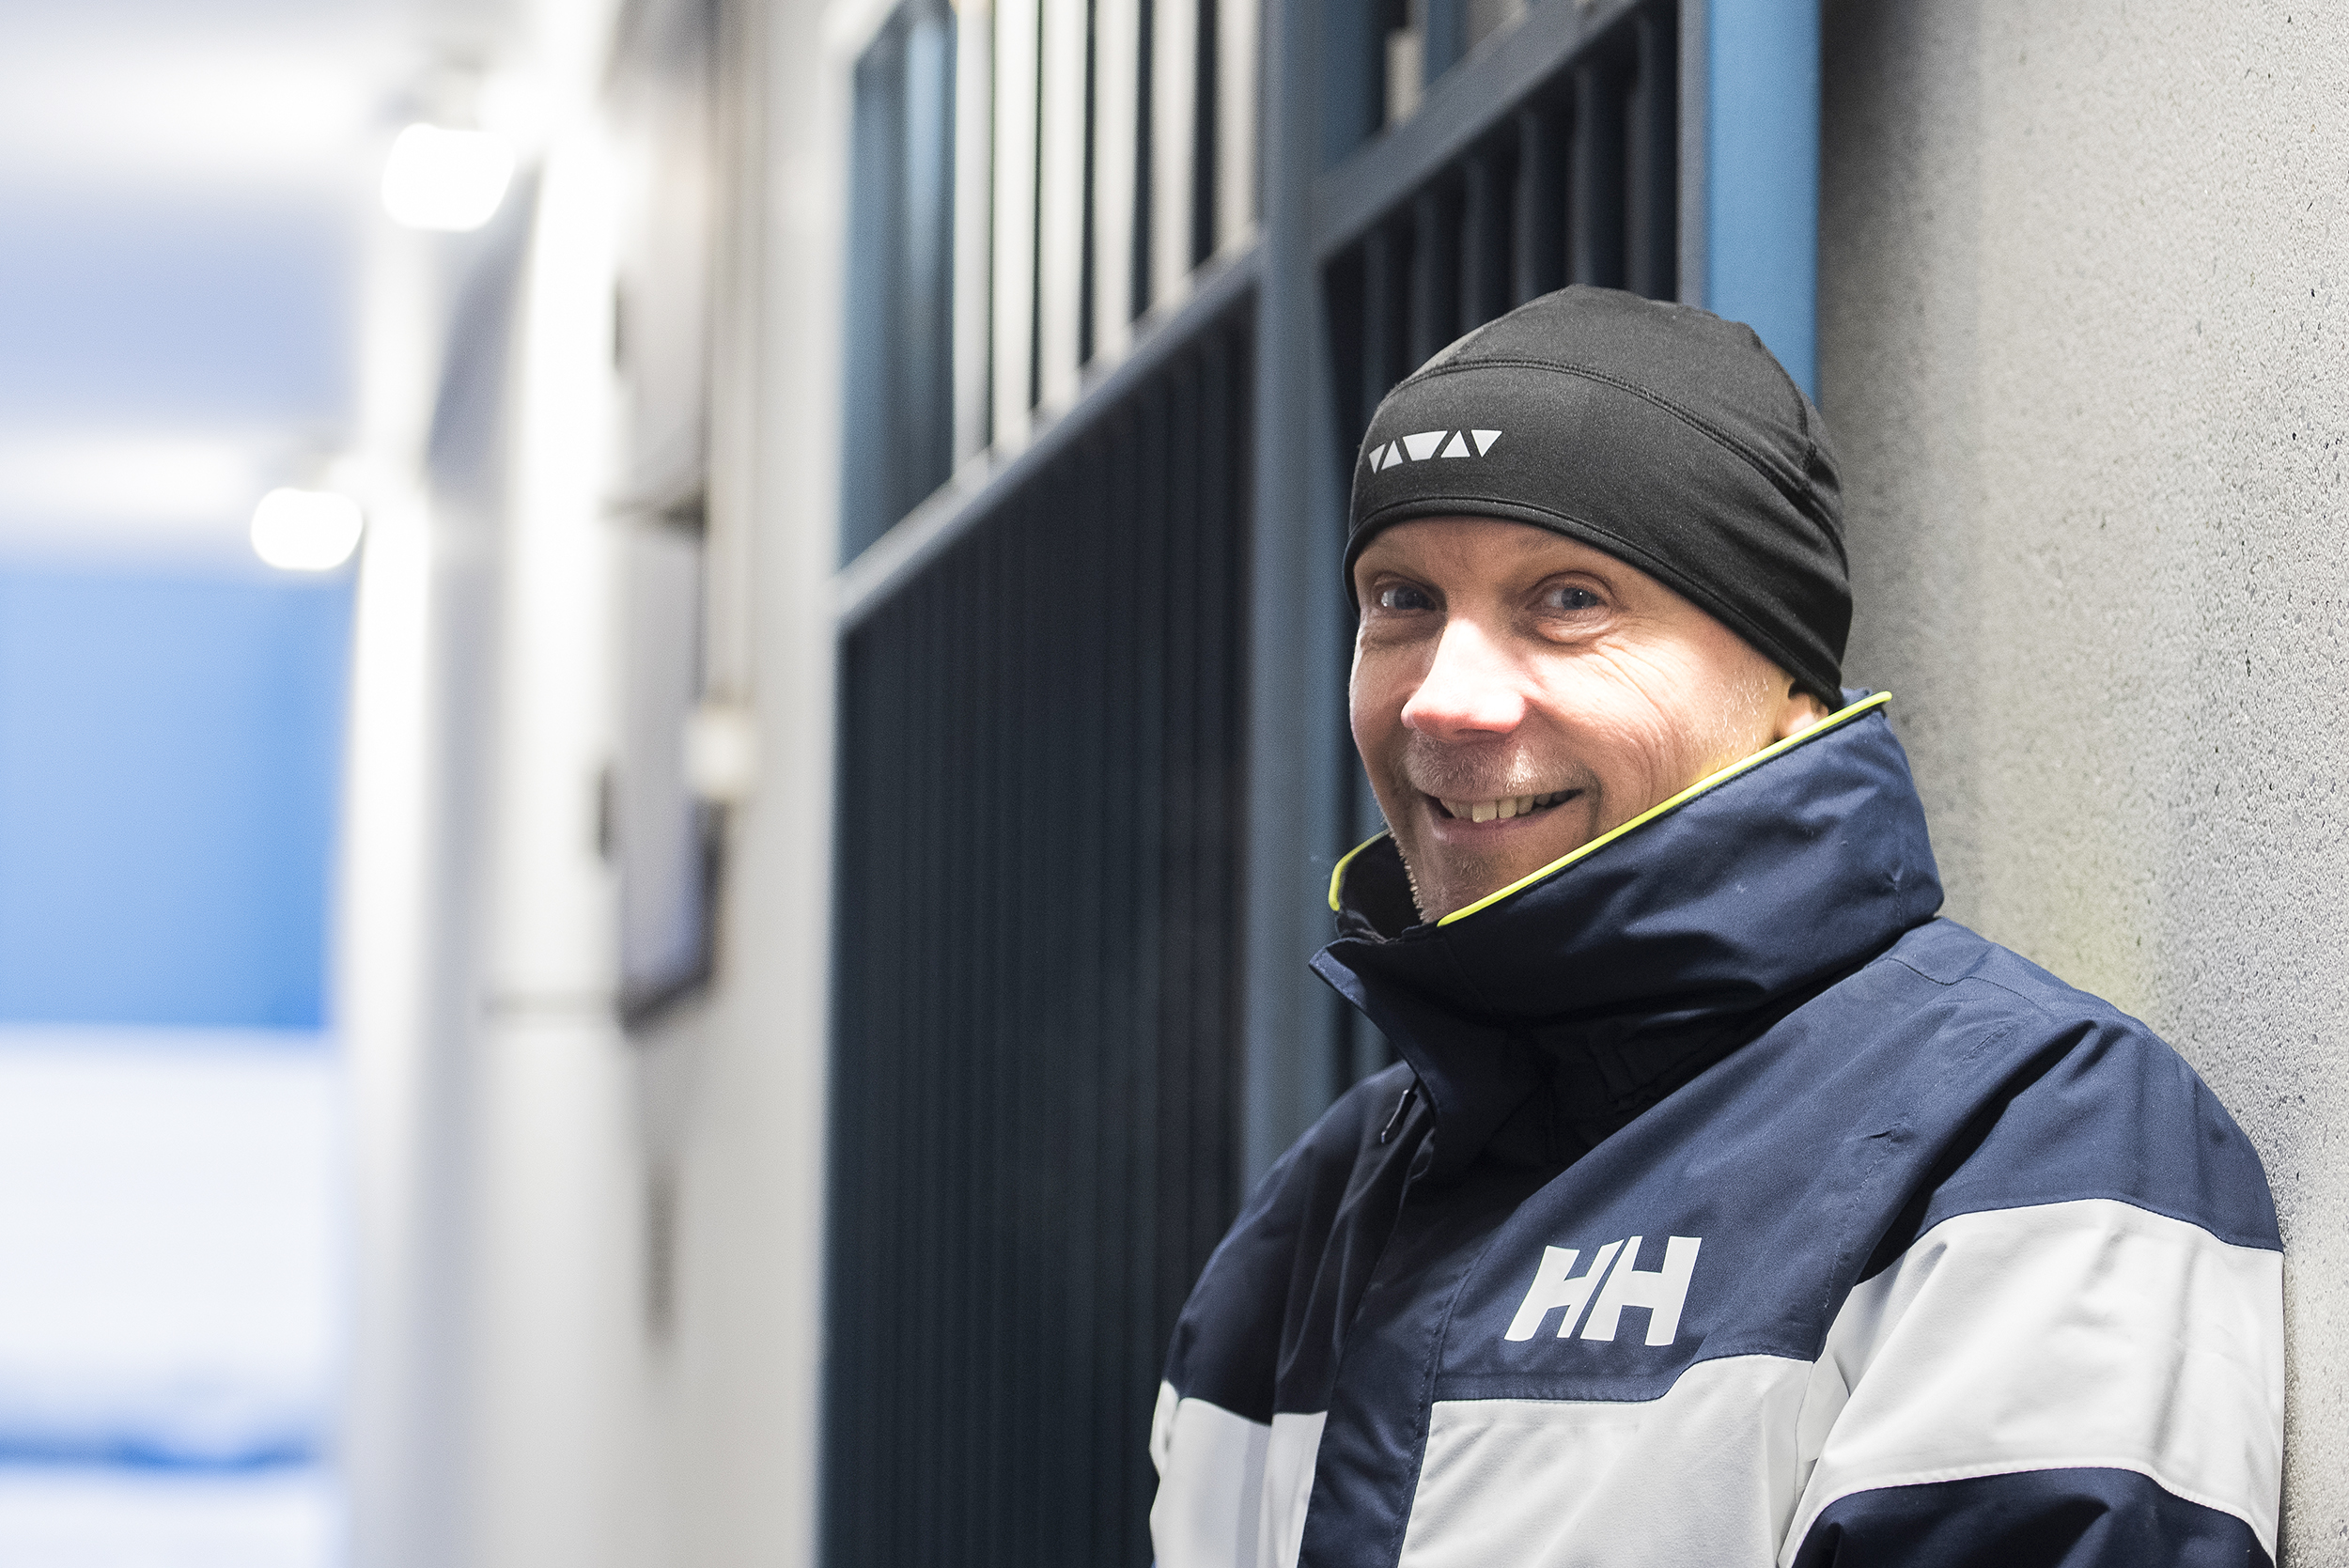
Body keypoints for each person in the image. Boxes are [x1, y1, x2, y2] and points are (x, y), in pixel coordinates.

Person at [1146, 287, 2284, 1567]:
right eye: (1402, 598)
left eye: (1568, 598)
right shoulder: (1316, 1210)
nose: (1444, 702)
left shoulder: (2026, 1138)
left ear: (1792, 687)